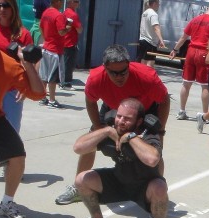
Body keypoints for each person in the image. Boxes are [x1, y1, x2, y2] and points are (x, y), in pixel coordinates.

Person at [55, 44, 170, 205]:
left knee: (154, 153)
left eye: (123, 71)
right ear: (105, 68)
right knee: (91, 142)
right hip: (113, 109)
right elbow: (90, 102)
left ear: (129, 65)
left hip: (144, 111)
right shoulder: (96, 78)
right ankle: (78, 188)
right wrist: (99, 128)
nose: (119, 76)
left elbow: (164, 100)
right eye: (113, 73)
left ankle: (156, 196)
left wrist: (160, 132)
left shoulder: (146, 76)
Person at [0, 10, 45, 218]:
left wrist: (26, 63)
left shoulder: (7, 63)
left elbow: (37, 93)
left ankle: (7, 202)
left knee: (17, 156)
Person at [74, 98, 169, 218]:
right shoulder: (111, 131)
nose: (121, 122)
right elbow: (78, 148)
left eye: (127, 119)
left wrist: (131, 137)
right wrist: (106, 131)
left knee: (160, 187)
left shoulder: (148, 133)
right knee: (81, 179)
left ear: (139, 121)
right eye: (119, 116)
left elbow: (152, 160)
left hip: (144, 186)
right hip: (119, 181)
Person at [0, 0, 34, 186]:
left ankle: (9, 165)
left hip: (12, 90)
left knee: (11, 130)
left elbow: (30, 61)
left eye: (6, 5)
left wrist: (27, 87)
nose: (2, 9)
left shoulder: (23, 34)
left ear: (13, 8)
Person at [169, 3, 209, 120]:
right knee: (205, 85)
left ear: (208, 9)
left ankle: (181, 111)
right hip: (204, 53)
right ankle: (204, 114)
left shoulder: (195, 20)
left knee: (186, 83)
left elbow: (183, 37)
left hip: (191, 52)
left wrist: (175, 49)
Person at [38, 0, 71, 108]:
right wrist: (68, 28)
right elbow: (61, 32)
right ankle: (52, 100)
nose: (62, 3)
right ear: (56, 2)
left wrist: (46, 39)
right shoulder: (58, 15)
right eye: (61, 1)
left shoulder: (46, 12)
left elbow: (41, 27)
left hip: (46, 47)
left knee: (44, 75)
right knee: (53, 77)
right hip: (55, 50)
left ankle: (43, 98)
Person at [136, 0, 165, 68]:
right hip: (150, 42)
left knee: (142, 62)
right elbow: (156, 28)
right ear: (154, 3)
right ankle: (146, 78)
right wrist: (161, 40)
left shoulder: (145, 13)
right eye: (158, 3)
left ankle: (141, 77)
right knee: (149, 64)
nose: (159, 5)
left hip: (142, 40)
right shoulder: (153, 14)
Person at [62, 0, 83, 91]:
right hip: (70, 42)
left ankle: (62, 80)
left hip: (64, 41)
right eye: (76, 1)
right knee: (68, 63)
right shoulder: (73, 15)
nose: (78, 3)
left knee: (64, 62)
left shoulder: (65, 12)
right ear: (70, 2)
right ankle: (66, 83)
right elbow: (79, 29)